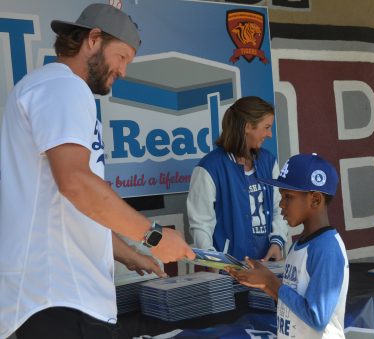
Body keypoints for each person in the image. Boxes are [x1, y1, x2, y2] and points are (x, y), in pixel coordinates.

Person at [0, 4, 194, 338]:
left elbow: (76, 207)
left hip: (59, 299)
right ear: (93, 39)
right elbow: (76, 183)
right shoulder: (64, 87)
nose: (123, 71)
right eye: (122, 57)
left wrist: (130, 255)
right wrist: (154, 236)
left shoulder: (48, 87)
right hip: (60, 298)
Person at [227, 153, 349, 339]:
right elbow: (291, 299)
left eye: (288, 196)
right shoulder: (299, 244)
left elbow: (317, 317)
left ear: (315, 199)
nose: (281, 204)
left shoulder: (327, 248)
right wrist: (262, 282)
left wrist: (271, 282)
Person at [187, 96, 288, 261]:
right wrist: (213, 262)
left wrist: (277, 243)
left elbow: (280, 207)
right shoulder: (209, 167)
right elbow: (200, 224)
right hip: (229, 269)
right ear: (248, 126)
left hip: (266, 265)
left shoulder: (269, 162)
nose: (269, 134)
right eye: (267, 127)